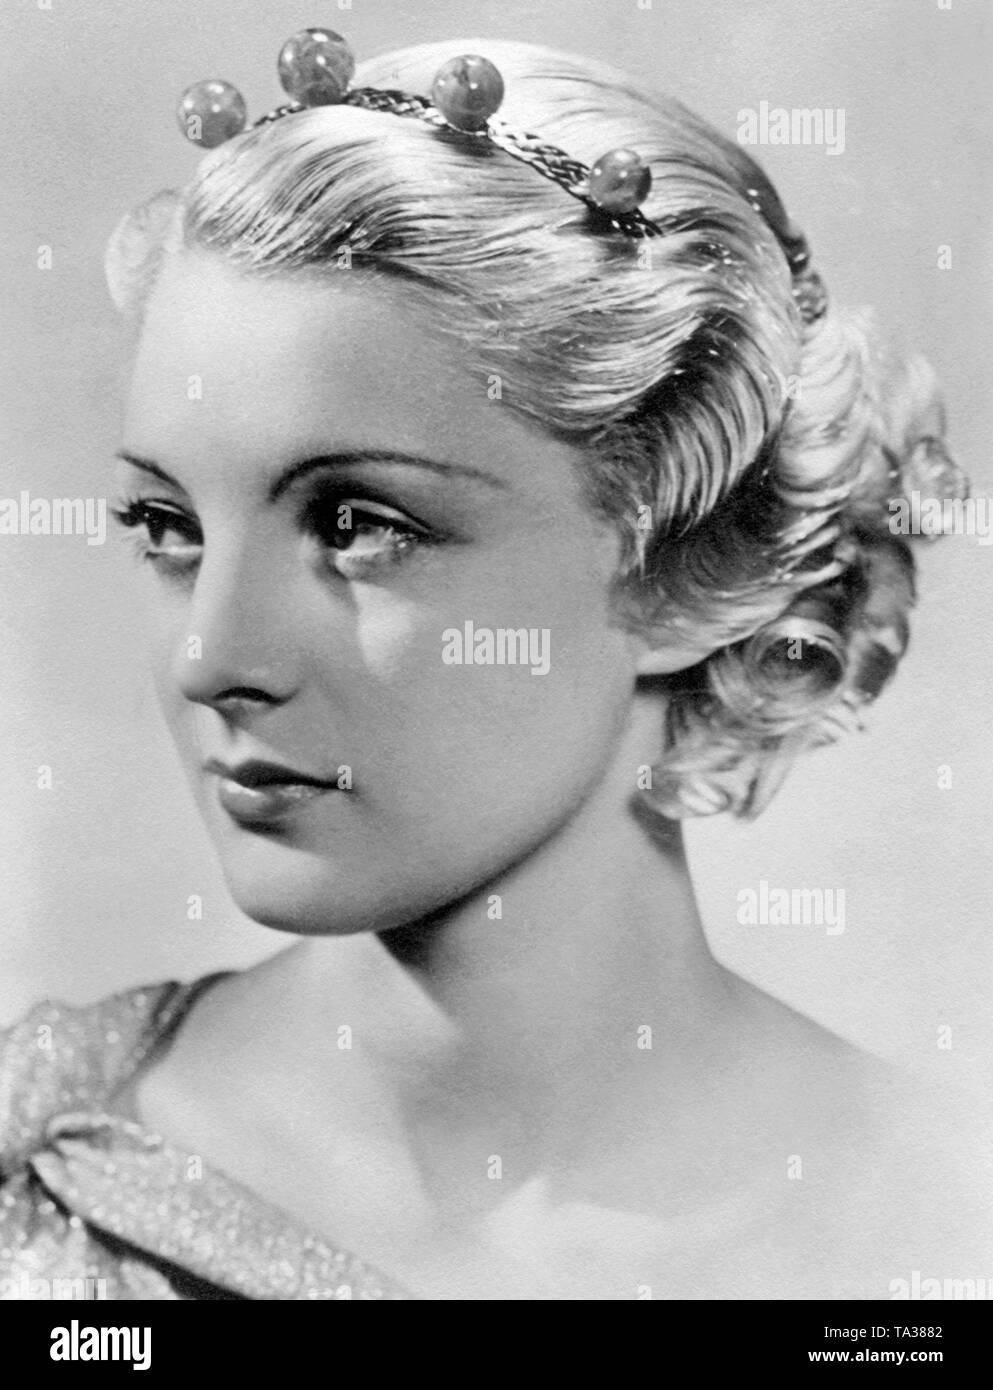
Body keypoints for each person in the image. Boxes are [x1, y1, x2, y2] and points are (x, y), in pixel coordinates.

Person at [0, 31, 986, 1301]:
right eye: (168, 528)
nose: (212, 657)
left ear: (690, 567)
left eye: (360, 525)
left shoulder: (944, 1226)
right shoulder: (39, 1178)